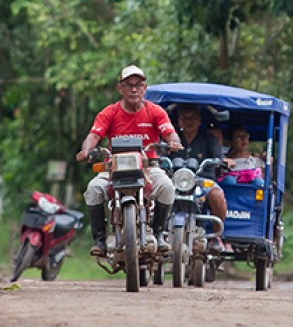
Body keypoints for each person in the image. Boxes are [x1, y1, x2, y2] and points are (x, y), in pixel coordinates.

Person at [76, 65, 183, 256]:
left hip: (148, 167)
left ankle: (159, 233)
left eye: (138, 85)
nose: (134, 89)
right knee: (93, 189)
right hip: (113, 168)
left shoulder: (155, 112)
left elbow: (170, 132)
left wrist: (173, 142)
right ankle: (99, 240)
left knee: (167, 187)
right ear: (120, 88)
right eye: (129, 85)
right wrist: (86, 150)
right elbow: (94, 135)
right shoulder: (109, 112)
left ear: (145, 88)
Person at [169, 104, 231, 248]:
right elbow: (162, 153)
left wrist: (221, 161)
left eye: (193, 118)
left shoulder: (209, 138)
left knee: (217, 194)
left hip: (203, 181)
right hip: (175, 181)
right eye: (185, 117)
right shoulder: (172, 139)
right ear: (179, 121)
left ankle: (216, 237)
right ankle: (157, 231)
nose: (189, 121)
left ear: (199, 120)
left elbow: (219, 157)